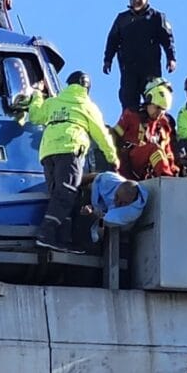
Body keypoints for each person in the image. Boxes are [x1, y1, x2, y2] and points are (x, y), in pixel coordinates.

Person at [26, 70, 119, 251]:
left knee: (58, 196)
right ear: (87, 88)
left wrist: (37, 94)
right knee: (67, 194)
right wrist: (112, 158)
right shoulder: (87, 105)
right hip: (69, 150)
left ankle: (61, 239)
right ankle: (45, 234)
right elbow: (102, 135)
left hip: (48, 153)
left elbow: (35, 116)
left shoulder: (53, 102)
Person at [103, 0, 177, 110]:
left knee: (154, 99)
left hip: (150, 69)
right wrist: (107, 60)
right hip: (129, 69)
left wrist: (171, 58)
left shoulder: (157, 17)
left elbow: (167, 39)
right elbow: (112, 40)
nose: (136, 0)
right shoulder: (122, 19)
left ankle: (154, 122)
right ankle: (130, 121)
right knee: (129, 101)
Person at [111, 78, 178, 180]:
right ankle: (166, 179)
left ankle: (169, 179)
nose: (159, 113)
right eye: (157, 107)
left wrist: (176, 171)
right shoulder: (132, 115)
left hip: (147, 173)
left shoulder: (164, 126)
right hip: (128, 163)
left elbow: (168, 153)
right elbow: (114, 136)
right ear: (149, 102)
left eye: (163, 110)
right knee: (154, 149)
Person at [79, 171, 149, 242]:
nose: (117, 202)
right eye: (116, 196)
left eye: (122, 203)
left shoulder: (131, 212)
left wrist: (92, 211)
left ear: (131, 202)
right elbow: (96, 177)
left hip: (113, 224)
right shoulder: (110, 179)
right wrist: (77, 182)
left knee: (98, 234)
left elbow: (103, 220)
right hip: (103, 209)